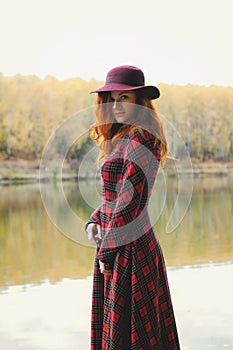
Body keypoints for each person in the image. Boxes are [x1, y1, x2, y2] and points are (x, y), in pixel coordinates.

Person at [85, 65, 180, 350]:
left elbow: (130, 200)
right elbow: (111, 197)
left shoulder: (142, 136)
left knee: (133, 332)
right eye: (112, 98)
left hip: (132, 246)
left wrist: (107, 250)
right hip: (117, 241)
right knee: (121, 330)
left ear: (140, 101)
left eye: (124, 98)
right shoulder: (120, 139)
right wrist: (94, 220)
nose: (117, 105)